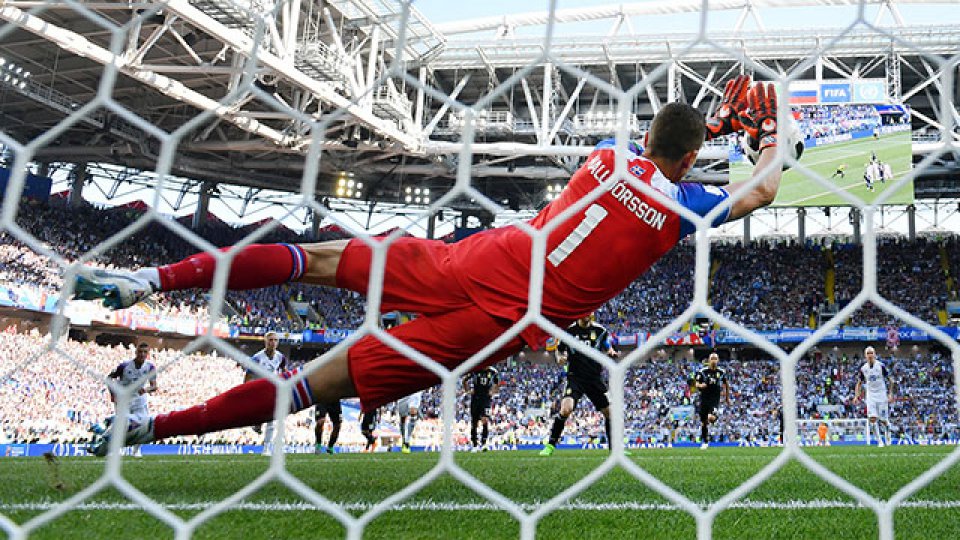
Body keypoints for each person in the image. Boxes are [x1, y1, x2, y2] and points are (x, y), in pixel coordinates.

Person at [80, 76, 787, 456]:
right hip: (507, 320)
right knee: (317, 384)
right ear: (693, 162)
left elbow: (666, 145)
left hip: (480, 259)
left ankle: (149, 280)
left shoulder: (605, 156)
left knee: (316, 260)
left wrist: (716, 125)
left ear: (648, 137)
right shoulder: (680, 213)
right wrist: (772, 133)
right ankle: (147, 431)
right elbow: (762, 189)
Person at [539, 314, 624, 456]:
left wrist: (611, 352)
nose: (588, 315)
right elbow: (559, 350)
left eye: (591, 312)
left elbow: (606, 345)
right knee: (566, 409)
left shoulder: (600, 330)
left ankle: (614, 450)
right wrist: (560, 359)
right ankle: (550, 446)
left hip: (594, 378)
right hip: (575, 377)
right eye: (586, 312)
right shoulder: (568, 332)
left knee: (611, 414)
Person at [94, 342, 157, 457]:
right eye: (140, 352)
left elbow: (154, 386)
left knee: (143, 424)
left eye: (145, 352)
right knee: (122, 424)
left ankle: (136, 450)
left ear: (148, 354)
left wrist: (146, 389)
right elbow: (109, 378)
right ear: (136, 352)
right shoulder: (124, 366)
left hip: (139, 400)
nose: (142, 354)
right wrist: (112, 394)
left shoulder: (150, 367)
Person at [245, 332, 287, 455]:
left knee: (272, 419)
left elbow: (284, 371)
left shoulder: (281, 357)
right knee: (261, 414)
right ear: (265, 341)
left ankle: (267, 447)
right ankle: (257, 423)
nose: (273, 342)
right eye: (270, 340)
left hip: (273, 389)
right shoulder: (257, 358)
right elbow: (248, 375)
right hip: (259, 389)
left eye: (275, 340)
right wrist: (246, 391)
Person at [853, 346, 894, 447]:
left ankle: (888, 430)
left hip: (881, 394)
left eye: (871, 353)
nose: (870, 355)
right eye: (868, 353)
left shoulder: (881, 366)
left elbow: (891, 380)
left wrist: (890, 393)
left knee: (883, 420)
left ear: (875, 354)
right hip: (870, 395)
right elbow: (859, 383)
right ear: (865, 356)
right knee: (872, 418)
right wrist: (856, 396)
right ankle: (880, 441)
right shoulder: (863, 368)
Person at [695, 352, 730, 450]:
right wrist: (702, 385)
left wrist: (727, 398)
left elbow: (726, 384)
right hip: (704, 398)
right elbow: (696, 384)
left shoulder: (721, 372)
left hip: (715, 399)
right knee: (704, 423)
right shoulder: (702, 372)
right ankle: (705, 442)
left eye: (715, 358)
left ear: (718, 360)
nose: (714, 360)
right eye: (712, 358)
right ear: (709, 360)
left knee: (710, 418)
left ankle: (715, 417)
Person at [467, 366, 500, 451]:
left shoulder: (493, 371)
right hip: (475, 398)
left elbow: (497, 383)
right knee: (474, 422)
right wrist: (467, 390)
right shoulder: (475, 370)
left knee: (485, 420)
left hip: (486, 399)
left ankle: (484, 443)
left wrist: (493, 391)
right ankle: (474, 445)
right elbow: (465, 380)